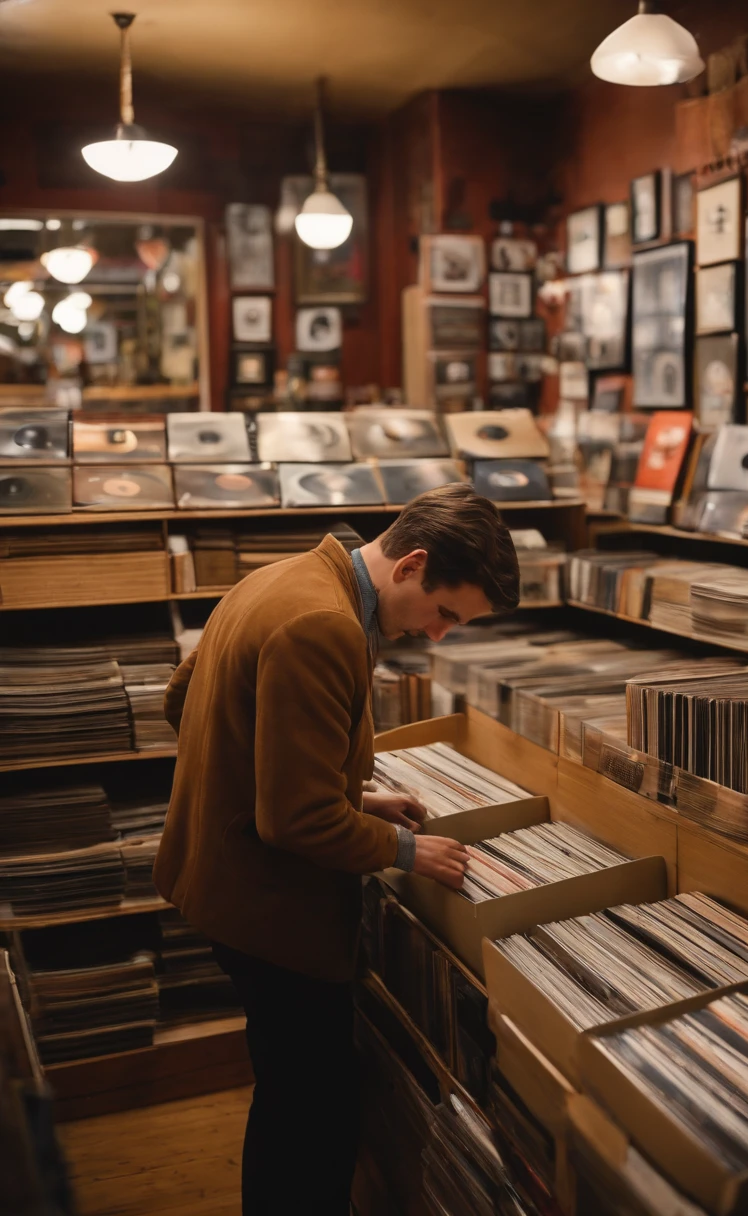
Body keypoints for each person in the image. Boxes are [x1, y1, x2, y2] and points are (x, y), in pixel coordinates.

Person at [153, 483, 520, 1216]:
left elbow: (181, 702)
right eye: (446, 614)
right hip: (268, 911)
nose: (439, 635)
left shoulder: (281, 577)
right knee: (309, 1117)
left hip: (220, 883)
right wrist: (406, 850)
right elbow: (295, 823)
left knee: (291, 1094)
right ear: (413, 564)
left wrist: (348, 791)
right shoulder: (322, 625)